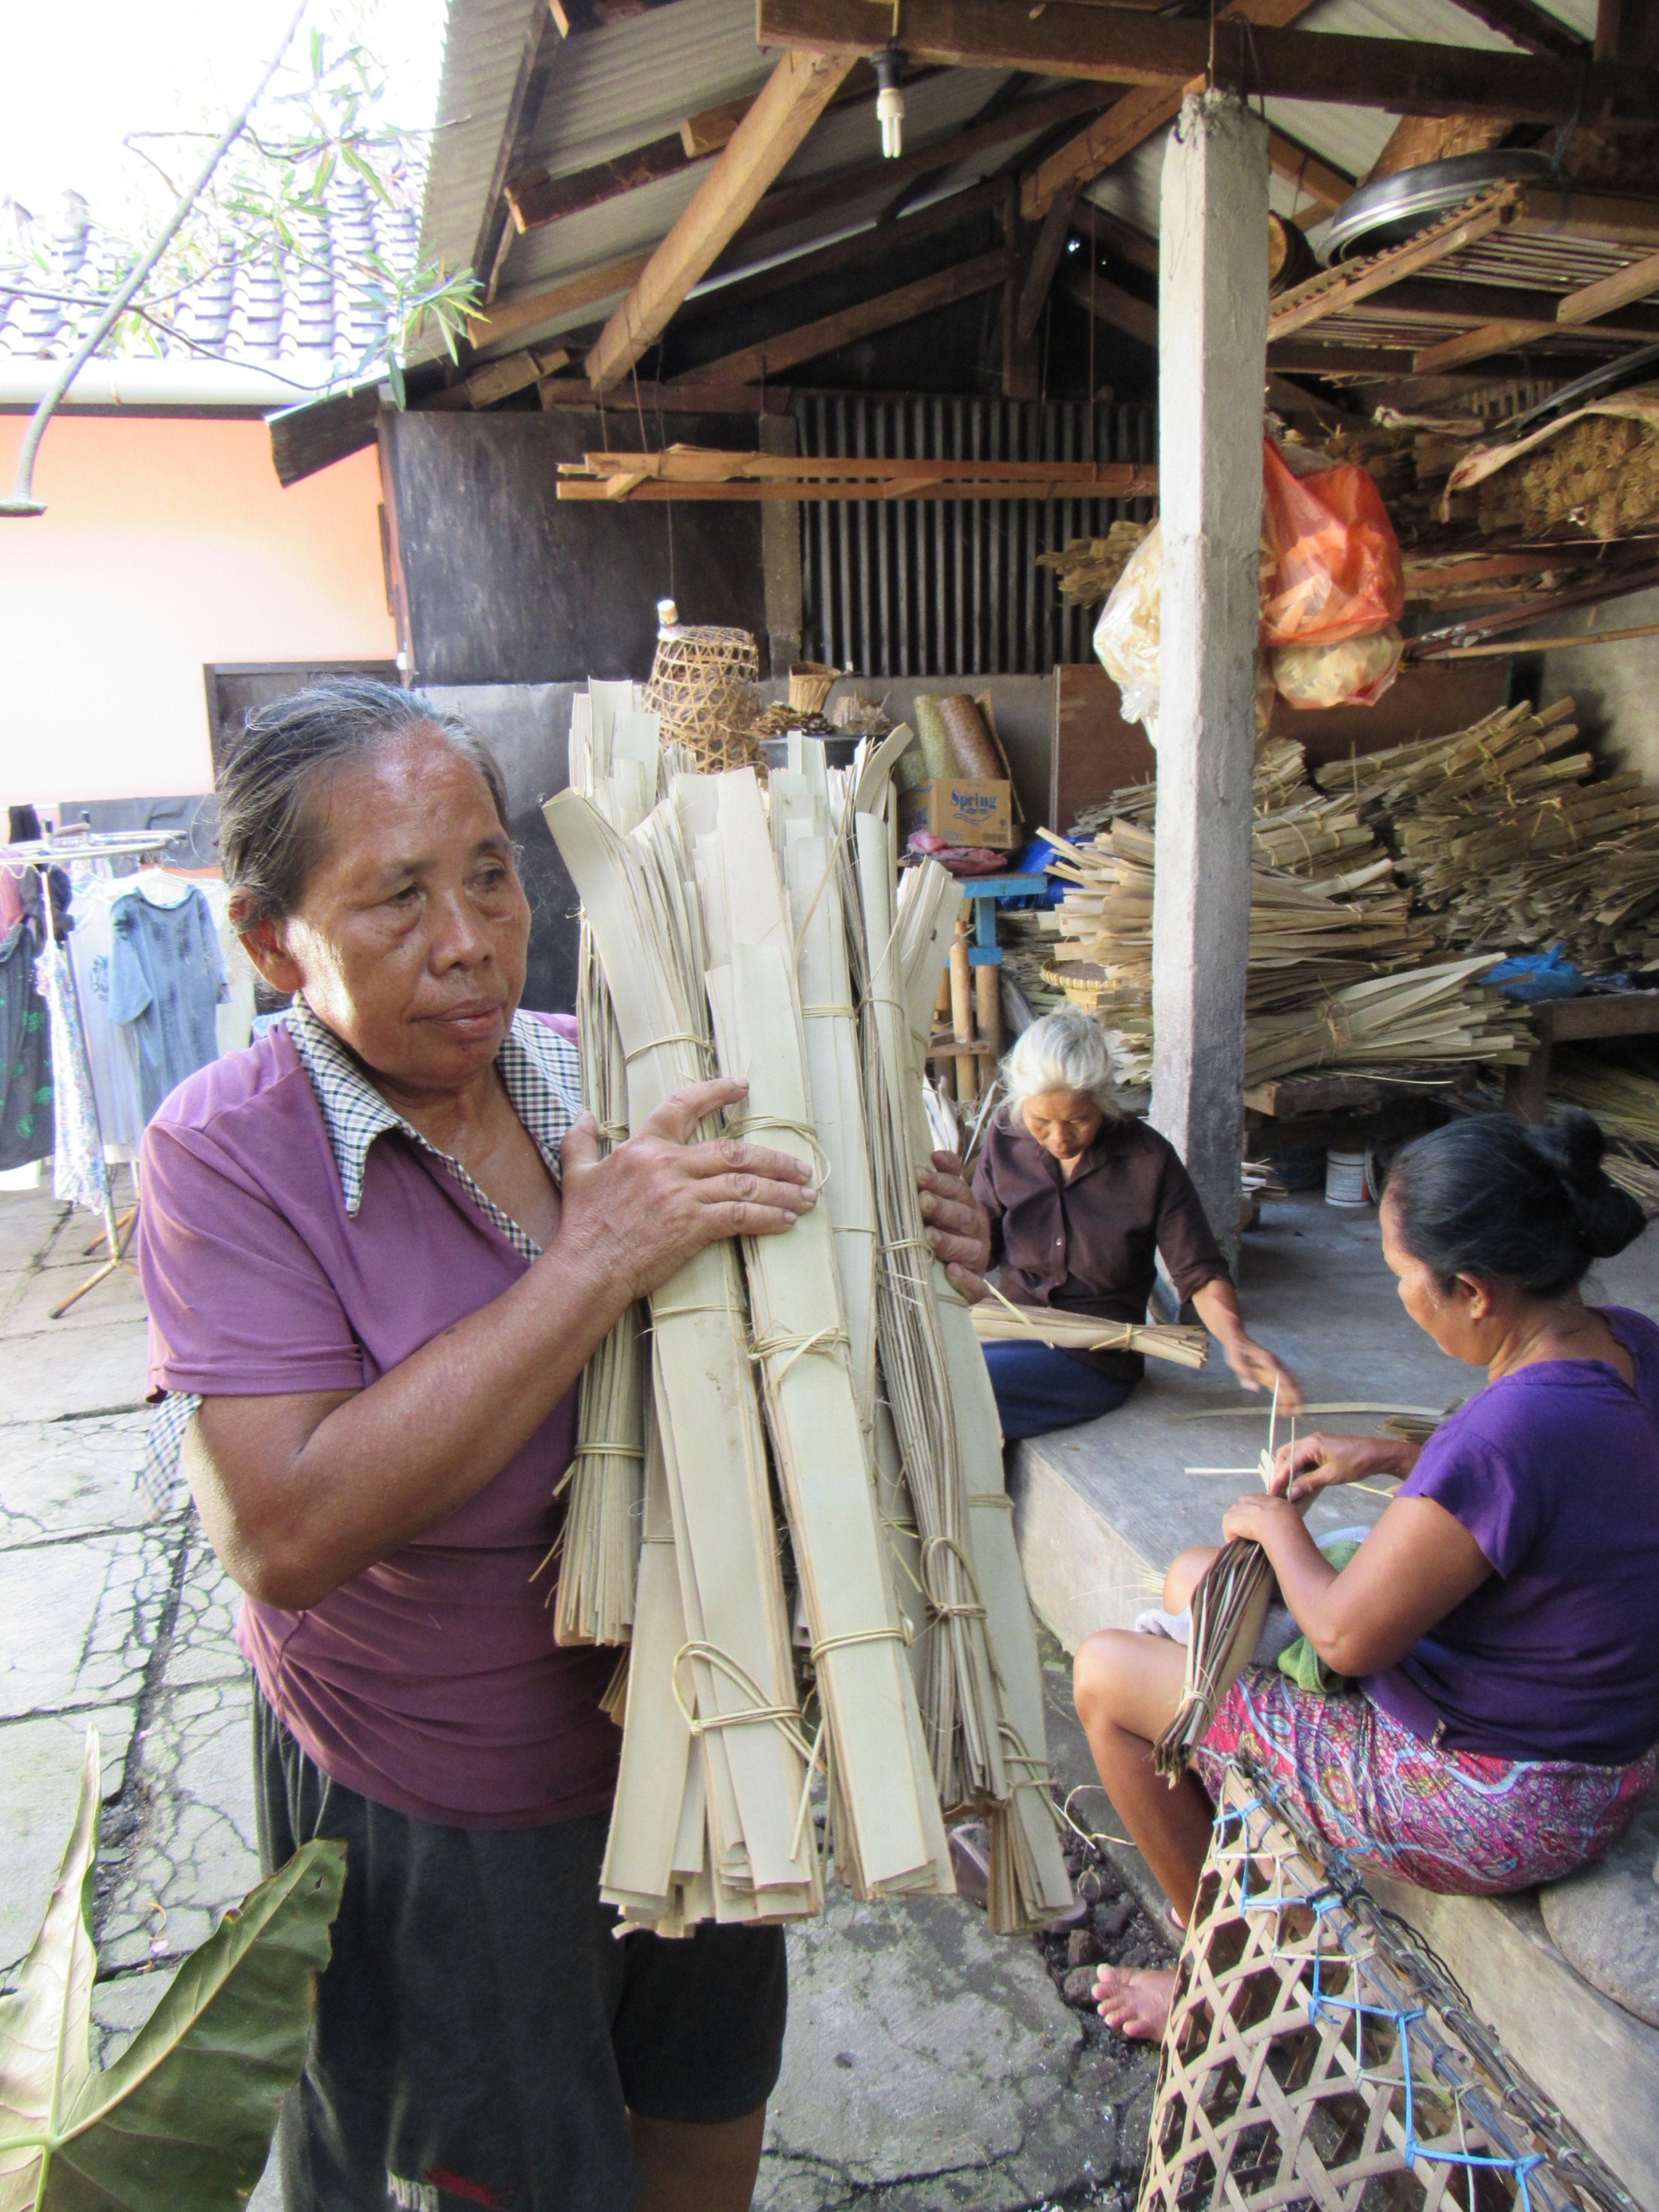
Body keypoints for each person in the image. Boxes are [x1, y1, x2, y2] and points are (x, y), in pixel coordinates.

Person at [135, 680, 992, 2212]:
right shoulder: (224, 1154)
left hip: (706, 1721)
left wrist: (899, 1241)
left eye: (489, 873)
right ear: (271, 941)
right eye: (396, 897)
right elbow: (281, 1531)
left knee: (701, 2124)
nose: (469, 938)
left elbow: (780, 1348)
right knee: (501, 2176)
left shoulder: (609, 1069)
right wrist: (588, 1264)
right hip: (444, 1793)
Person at [1071, 1108, 1659, 2042]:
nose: (1397, 1297)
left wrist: (1273, 1524)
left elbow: (1346, 1636)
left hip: (1501, 1795)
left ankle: (1212, 1980)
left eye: (1399, 1277)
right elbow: (1538, 1495)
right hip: (1596, 1748)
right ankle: (1255, 1879)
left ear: (1472, 1290)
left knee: (1107, 1673)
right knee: (1194, 1579)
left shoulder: (1508, 1430)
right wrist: (1390, 1456)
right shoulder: (1625, 1343)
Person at [970, 1007, 1299, 1439]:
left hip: (1091, 1357)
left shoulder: (1147, 1161)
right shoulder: (1005, 1137)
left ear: (1103, 1102)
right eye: (1041, 1123)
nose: (1059, 1138)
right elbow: (981, 1245)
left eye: (1077, 1120)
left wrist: (1235, 1338)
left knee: (963, 1387)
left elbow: (1198, 1270)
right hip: (1005, 1331)